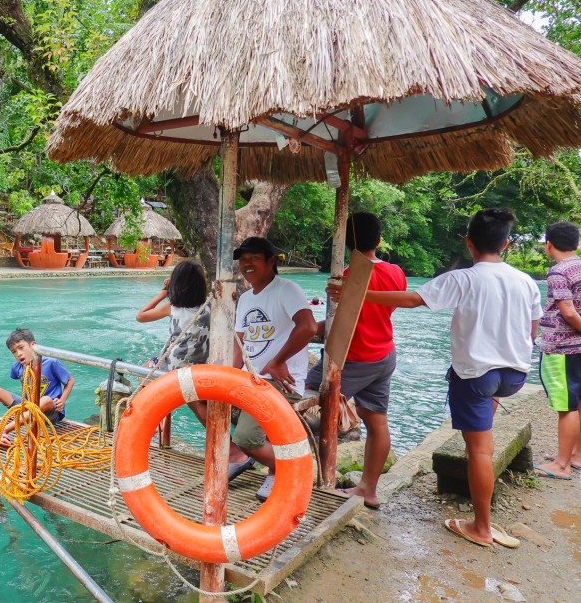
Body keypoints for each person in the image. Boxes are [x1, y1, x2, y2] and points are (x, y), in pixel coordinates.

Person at [334, 209, 540, 548]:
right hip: (514, 375)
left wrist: (358, 294)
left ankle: (482, 528)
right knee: (485, 428)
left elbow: (415, 300)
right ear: (505, 243)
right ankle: (481, 516)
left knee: (480, 451)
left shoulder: (463, 278)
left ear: (469, 242)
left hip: (476, 376)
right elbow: (530, 334)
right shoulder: (526, 282)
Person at [307, 212, 406, 509]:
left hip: (355, 358)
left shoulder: (346, 278)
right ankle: (368, 489)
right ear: (378, 240)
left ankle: (298, 473)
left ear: (345, 242)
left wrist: (309, 330)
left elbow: (340, 323)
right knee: (376, 420)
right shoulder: (396, 273)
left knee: (306, 401)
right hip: (384, 354)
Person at [136, 262, 256, 479]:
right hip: (200, 366)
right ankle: (231, 449)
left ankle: (233, 452)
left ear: (176, 287)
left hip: (176, 368)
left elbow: (141, 315)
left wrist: (163, 293)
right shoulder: (211, 308)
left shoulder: (172, 307)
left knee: (145, 378)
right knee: (149, 372)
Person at [230, 237, 317, 500]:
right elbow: (240, 343)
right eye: (243, 260)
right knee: (203, 401)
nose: (247, 264)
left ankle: (287, 469)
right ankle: (245, 459)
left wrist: (278, 361)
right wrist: (229, 377)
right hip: (250, 379)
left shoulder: (286, 290)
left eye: (253, 258)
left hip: (280, 381)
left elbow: (309, 327)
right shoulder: (245, 298)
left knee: (246, 438)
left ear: (271, 261)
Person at [0, 328, 74, 444]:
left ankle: (4, 431)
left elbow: (70, 380)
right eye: (14, 351)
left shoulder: (50, 362)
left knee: (46, 400)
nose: (18, 354)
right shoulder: (17, 367)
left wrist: (62, 401)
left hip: (50, 413)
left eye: (21, 348)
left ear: (33, 345)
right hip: (29, 407)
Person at [534, 221, 581, 480]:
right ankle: (576, 455)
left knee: (566, 406)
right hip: (579, 350)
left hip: (562, 347)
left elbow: (568, 310)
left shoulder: (558, 271)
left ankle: (561, 465)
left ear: (549, 244)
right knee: (578, 401)